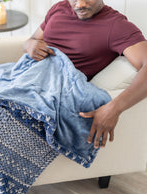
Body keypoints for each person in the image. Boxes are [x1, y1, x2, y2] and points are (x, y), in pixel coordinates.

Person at [24, 0, 147, 150]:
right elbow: (33, 39)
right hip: (28, 79)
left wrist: (115, 107)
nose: (80, 4)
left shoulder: (116, 25)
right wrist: (30, 45)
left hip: (56, 95)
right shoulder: (58, 8)